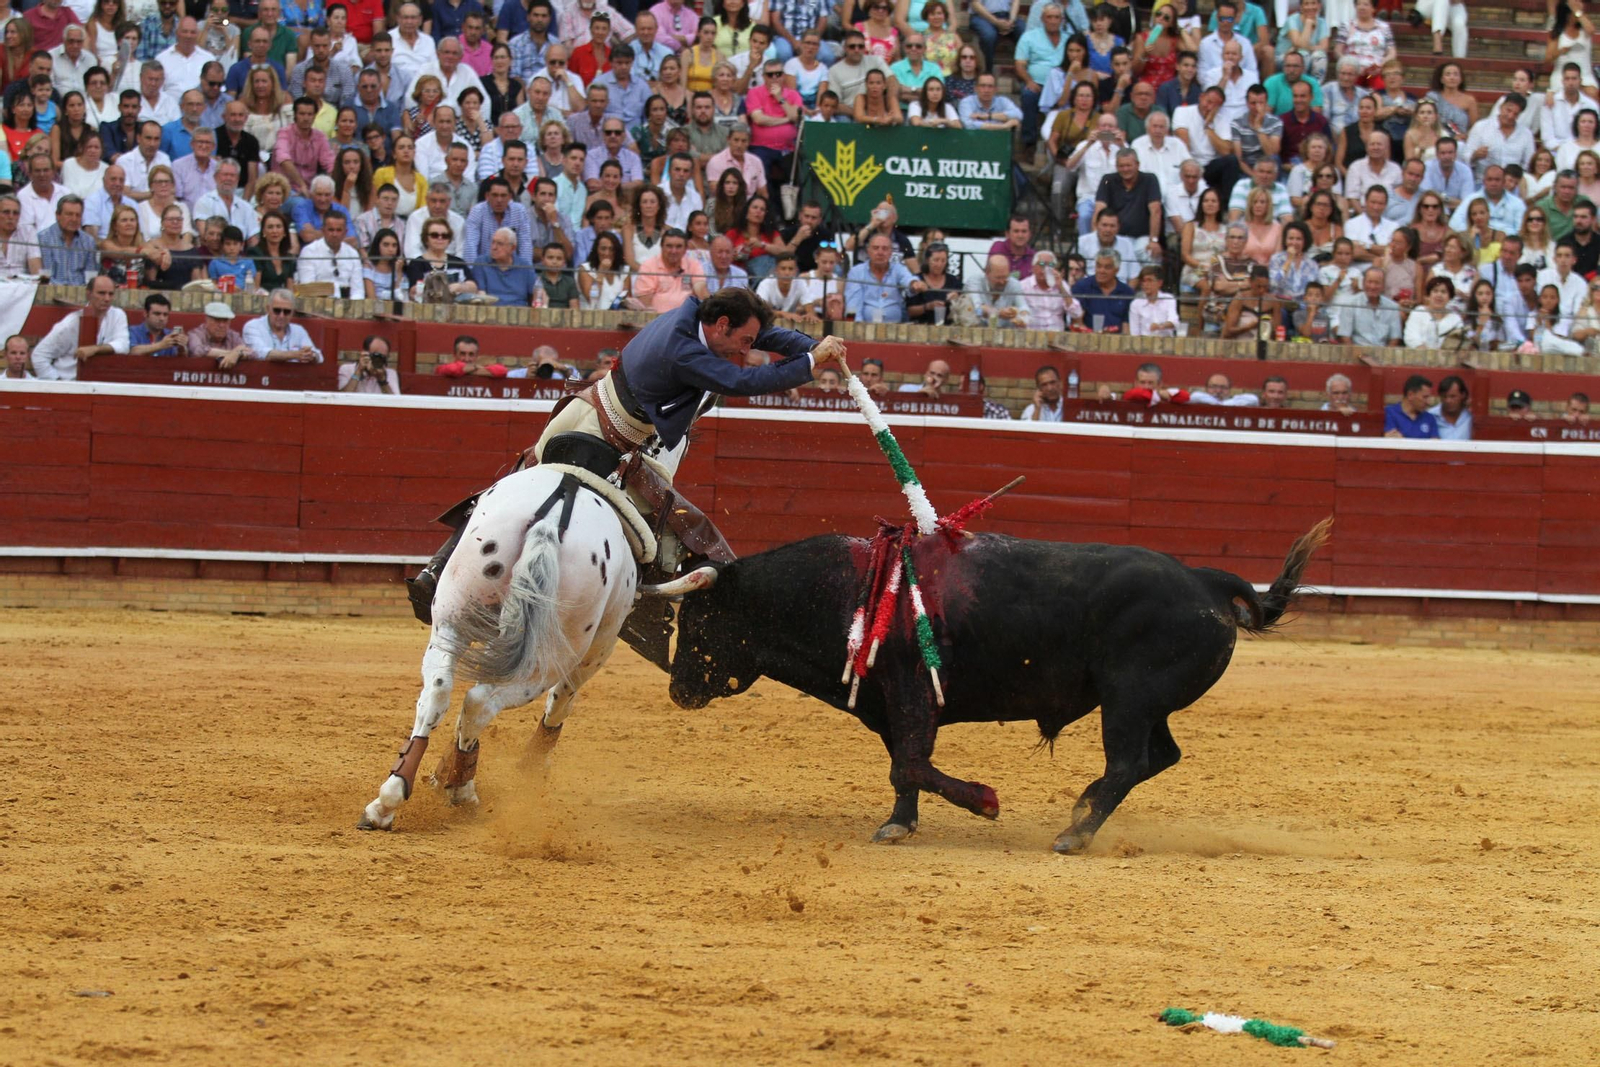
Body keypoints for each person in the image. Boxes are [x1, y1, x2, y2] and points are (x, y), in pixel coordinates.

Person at [404, 287, 850, 638]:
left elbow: (763, 338)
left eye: (750, 341)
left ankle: (439, 569)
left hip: (602, 421)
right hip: (601, 433)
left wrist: (814, 346)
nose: (746, 348)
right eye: (743, 340)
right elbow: (740, 379)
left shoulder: (696, 314)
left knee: (518, 484)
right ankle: (441, 571)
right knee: (656, 523)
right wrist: (811, 363)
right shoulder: (685, 352)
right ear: (720, 325)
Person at [30, 273, 128, 379]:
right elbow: (39, 355)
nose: (107, 298)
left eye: (111, 294)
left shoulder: (118, 315)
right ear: (88, 294)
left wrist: (95, 349)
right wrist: (57, 383)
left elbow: (123, 345)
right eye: (101, 293)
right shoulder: (70, 323)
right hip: (69, 383)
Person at [1383, 374, 1439, 439]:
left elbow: (1434, 444)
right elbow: (1392, 439)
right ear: (1410, 395)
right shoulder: (1390, 413)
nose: (1428, 402)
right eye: (1425, 397)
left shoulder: (1429, 418)